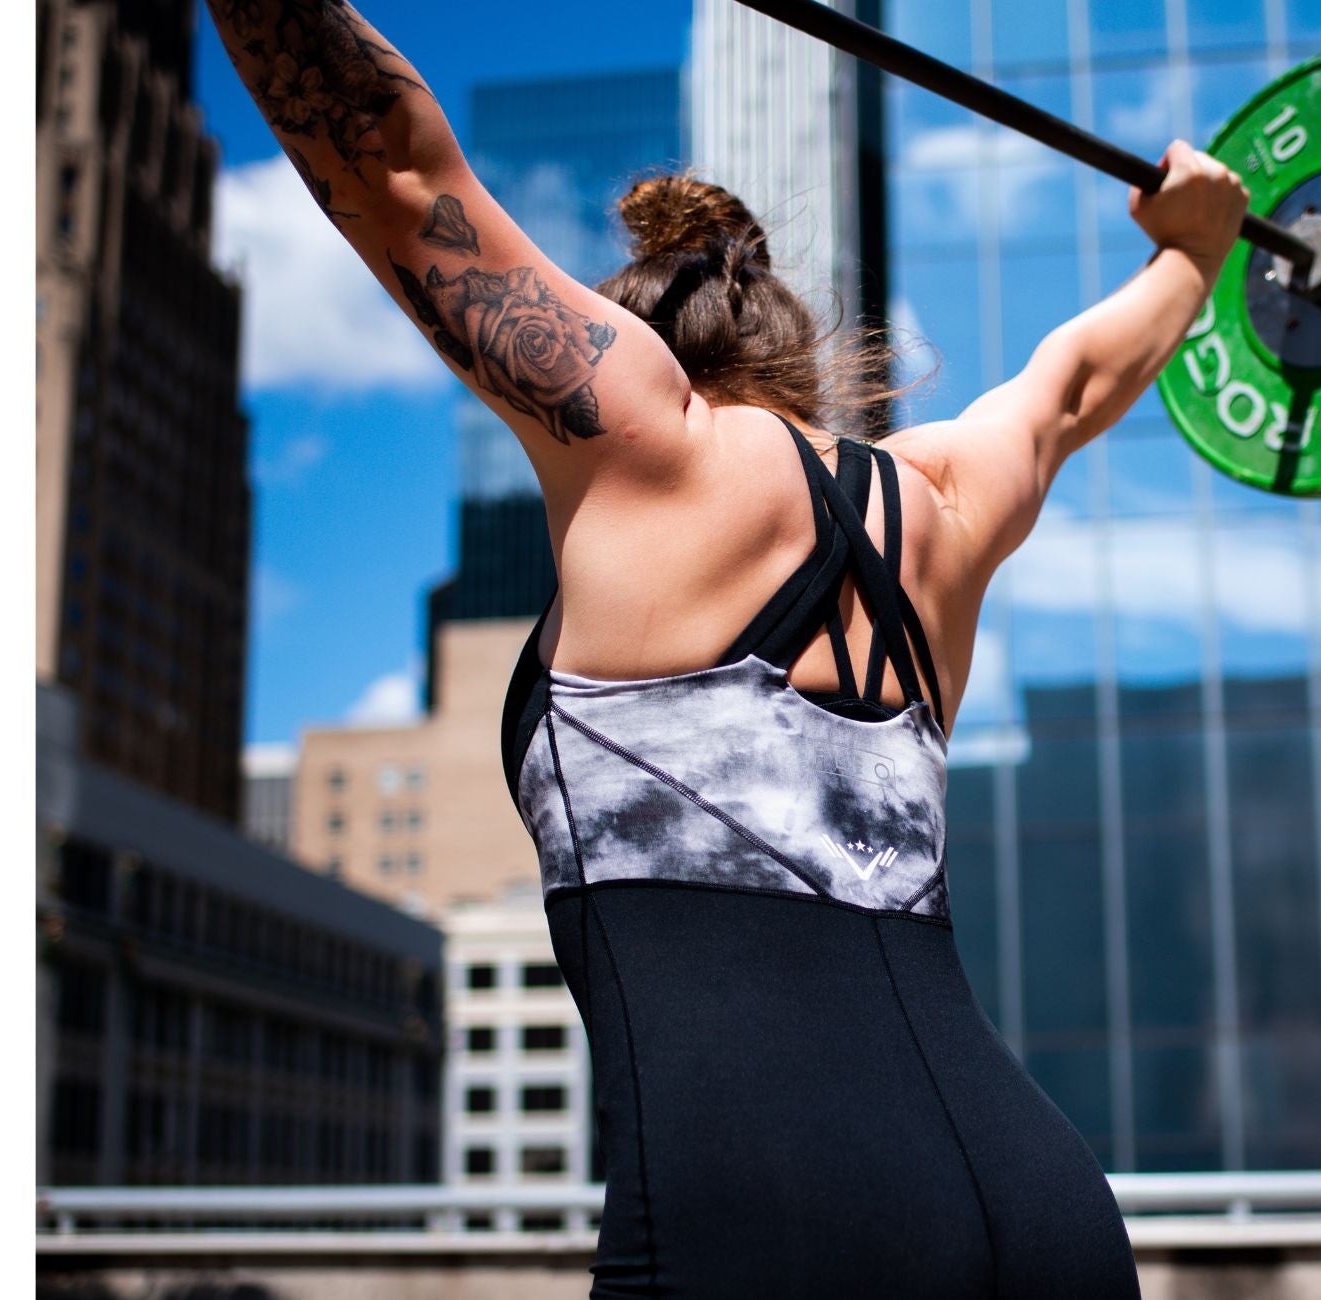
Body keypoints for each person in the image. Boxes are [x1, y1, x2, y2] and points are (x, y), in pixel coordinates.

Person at [205, 1, 1253, 1293]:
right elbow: (1069, 389)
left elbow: (400, 167)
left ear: (651, 348)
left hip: (766, 1219)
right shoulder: (943, 505)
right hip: (1040, 1204)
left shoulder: (646, 440)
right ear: (796, 357)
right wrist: (1197, 258)